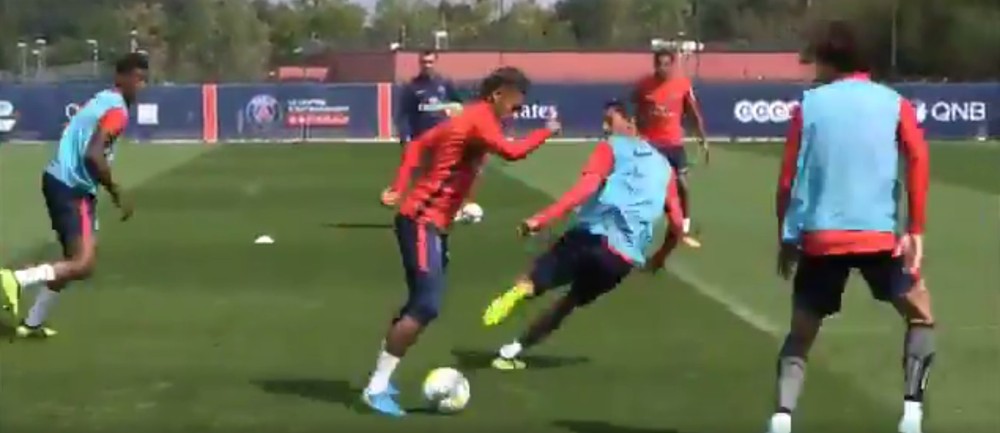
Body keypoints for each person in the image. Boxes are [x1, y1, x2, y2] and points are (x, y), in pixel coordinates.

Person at [765, 21, 933, 433]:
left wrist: (787, 236)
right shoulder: (893, 102)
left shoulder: (809, 105)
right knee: (921, 315)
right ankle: (912, 412)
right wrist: (915, 227)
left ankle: (782, 418)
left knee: (800, 336)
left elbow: (787, 180)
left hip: (821, 238)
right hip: (879, 237)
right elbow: (918, 157)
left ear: (828, 61)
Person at [363, 66, 561, 417]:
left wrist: (399, 186)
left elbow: (418, 147)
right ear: (497, 95)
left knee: (420, 303)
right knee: (425, 306)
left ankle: (381, 379)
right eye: (515, 106)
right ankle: (375, 388)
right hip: (421, 221)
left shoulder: (470, 117)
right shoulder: (480, 119)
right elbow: (512, 152)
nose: (515, 113)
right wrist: (547, 131)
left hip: (430, 223)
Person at [481, 100, 685, 370]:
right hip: (621, 259)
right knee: (569, 303)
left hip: (591, 237)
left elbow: (586, 188)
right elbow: (678, 225)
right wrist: (659, 258)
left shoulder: (612, 147)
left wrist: (541, 218)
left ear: (631, 122)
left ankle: (520, 291)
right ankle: (511, 352)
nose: (605, 127)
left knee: (535, 279)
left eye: (609, 121)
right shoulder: (665, 169)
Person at [0, 53, 148, 336]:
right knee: (82, 263)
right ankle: (16, 279)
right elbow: (94, 154)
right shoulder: (117, 110)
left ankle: (33, 323)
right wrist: (116, 191)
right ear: (121, 77)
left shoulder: (103, 99)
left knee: (71, 262)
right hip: (73, 187)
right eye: (137, 79)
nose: (141, 86)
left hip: (59, 180)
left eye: (144, 80)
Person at [632, 49, 707, 247]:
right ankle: (638, 225)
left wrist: (702, 139)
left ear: (672, 65)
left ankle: (684, 223)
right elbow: (634, 108)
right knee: (649, 187)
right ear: (654, 65)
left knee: (683, 184)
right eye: (659, 64)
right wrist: (636, 130)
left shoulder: (682, 85)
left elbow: (693, 113)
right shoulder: (644, 85)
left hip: (674, 143)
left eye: (666, 64)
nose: (662, 68)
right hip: (651, 144)